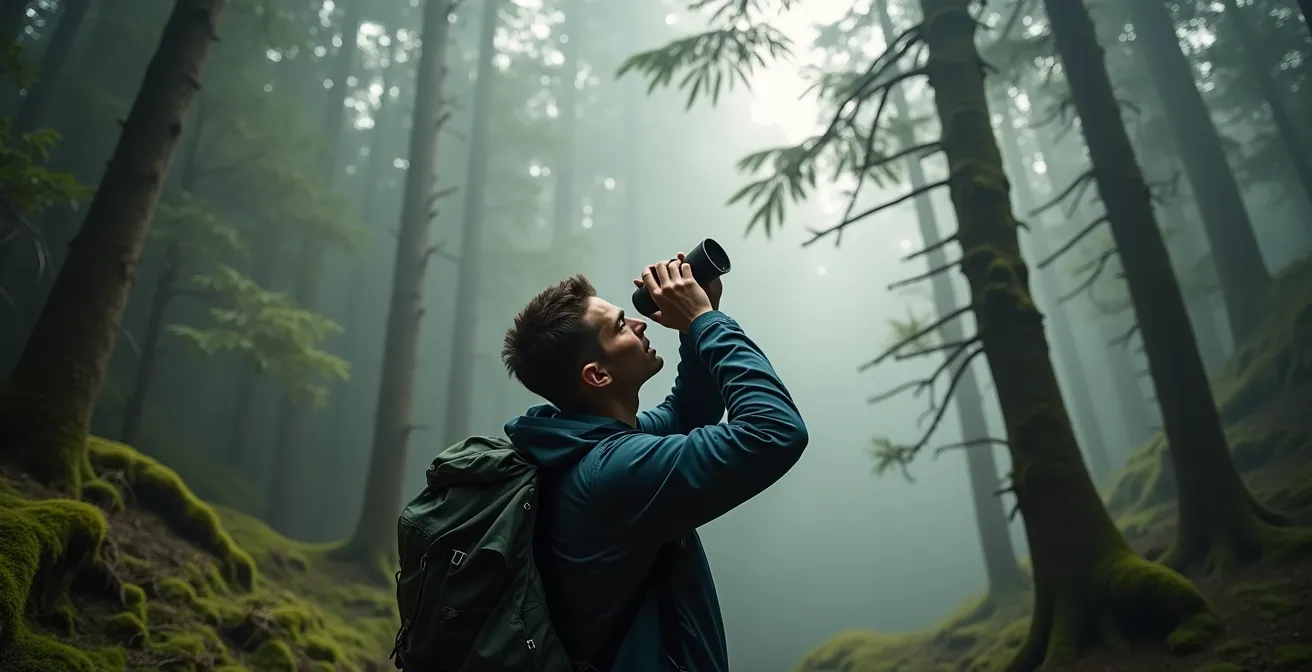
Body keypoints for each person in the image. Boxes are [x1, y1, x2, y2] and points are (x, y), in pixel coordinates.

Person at [500, 255, 809, 671]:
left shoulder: (583, 443)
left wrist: (699, 320)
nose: (640, 324)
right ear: (598, 375)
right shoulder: (613, 471)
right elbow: (773, 431)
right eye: (622, 325)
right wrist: (705, 322)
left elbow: (687, 412)